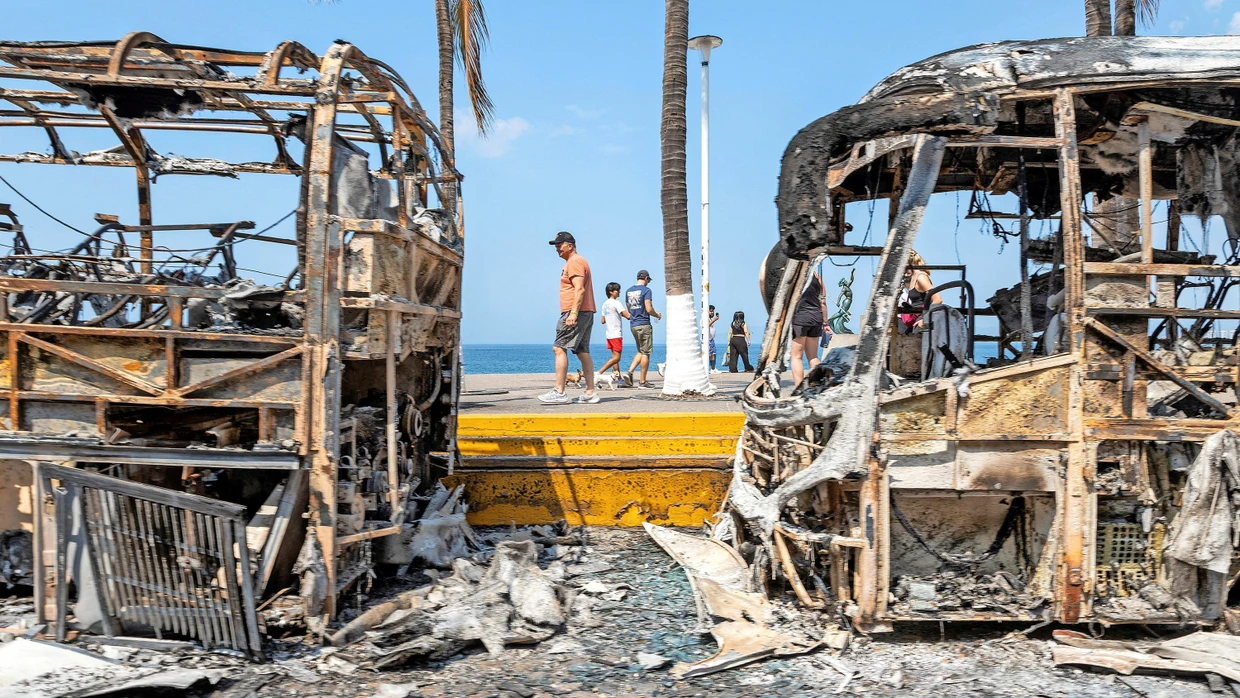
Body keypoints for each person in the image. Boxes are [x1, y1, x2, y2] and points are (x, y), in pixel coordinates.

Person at [539, 231, 599, 404]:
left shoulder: (574, 262)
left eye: (560, 245)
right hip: (585, 311)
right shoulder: (576, 262)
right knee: (582, 351)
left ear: (570, 246)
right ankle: (590, 392)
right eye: (556, 245)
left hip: (576, 312)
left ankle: (560, 392)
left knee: (559, 348)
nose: (557, 248)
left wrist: (573, 313)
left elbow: (579, 289)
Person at [624, 270, 661, 388]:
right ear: (645, 278)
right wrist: (657, 315)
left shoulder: (628, 291)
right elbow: (649, 309)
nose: (648, 282)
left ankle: (629, 373)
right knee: (646, 353)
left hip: (633, 324)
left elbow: (629, 309)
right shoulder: (646, 291)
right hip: (644, 323)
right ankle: (642, 381)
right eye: (648, 280)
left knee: (640, 350)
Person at [790, 270, 828, 386]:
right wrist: (826, 324)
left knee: (796, 357)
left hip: (799, 318)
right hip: (816, 318)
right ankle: (818, 386)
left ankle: (799, 389)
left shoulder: (794, 274)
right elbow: (823, 302)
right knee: (813, 357)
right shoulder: (817, 276)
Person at [897, 250, 943, 334]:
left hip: (923, 318)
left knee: (915, 338)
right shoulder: (912, 279)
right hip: (916, 317)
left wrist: (924, 319)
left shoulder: (920, 277)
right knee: (902, 337)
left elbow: (938, 299)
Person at [596, 282, 630, 380]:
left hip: (609, 334)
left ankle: (618, 378)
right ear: (611, 292)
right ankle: (598, 373)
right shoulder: (616, 303)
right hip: (616, 333)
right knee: (617, 358)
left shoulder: (605, 304)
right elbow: (627, 315)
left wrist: (611, 317)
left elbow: (602, 320)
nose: (619, 292)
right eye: (617, 290)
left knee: (614, 356)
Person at [708, 305, 720, 372]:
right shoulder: (705, 318)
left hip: (711, 339)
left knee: (713, 353)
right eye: (711, 311)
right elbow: (706, 325)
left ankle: (713, 367)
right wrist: (714, 320)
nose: (712, 313)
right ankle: (711, 368)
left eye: (713, 311)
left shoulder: (710, 319)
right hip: (708, 339)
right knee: (711, 354)